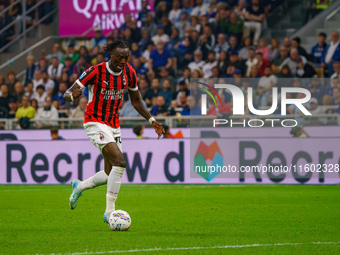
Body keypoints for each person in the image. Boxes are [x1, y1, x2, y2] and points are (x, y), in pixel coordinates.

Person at [63, 40, 164, 223]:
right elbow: (68, 93)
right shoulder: (95, 71)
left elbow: (136, 101)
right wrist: (73, 96)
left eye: (126, 57)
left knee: (110, 173)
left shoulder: (130, 73)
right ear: (111, 55)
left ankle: (79, 187)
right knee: (120, 162)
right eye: (120, 57)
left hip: (113, 124)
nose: (123, 61)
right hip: (94, 122)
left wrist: (152, 120)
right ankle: (110, 212)